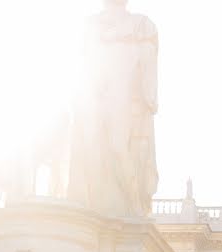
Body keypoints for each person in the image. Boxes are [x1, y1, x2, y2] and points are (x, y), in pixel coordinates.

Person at [67, 0, 159, 218]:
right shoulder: (89, 24)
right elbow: (81, 64)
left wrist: (145, 98)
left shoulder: (141, 24)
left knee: (118, 146)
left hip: (123, 97)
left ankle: (133, 204)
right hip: (94, 96)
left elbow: (147, 65)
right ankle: (91, 209)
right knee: (89, 148)